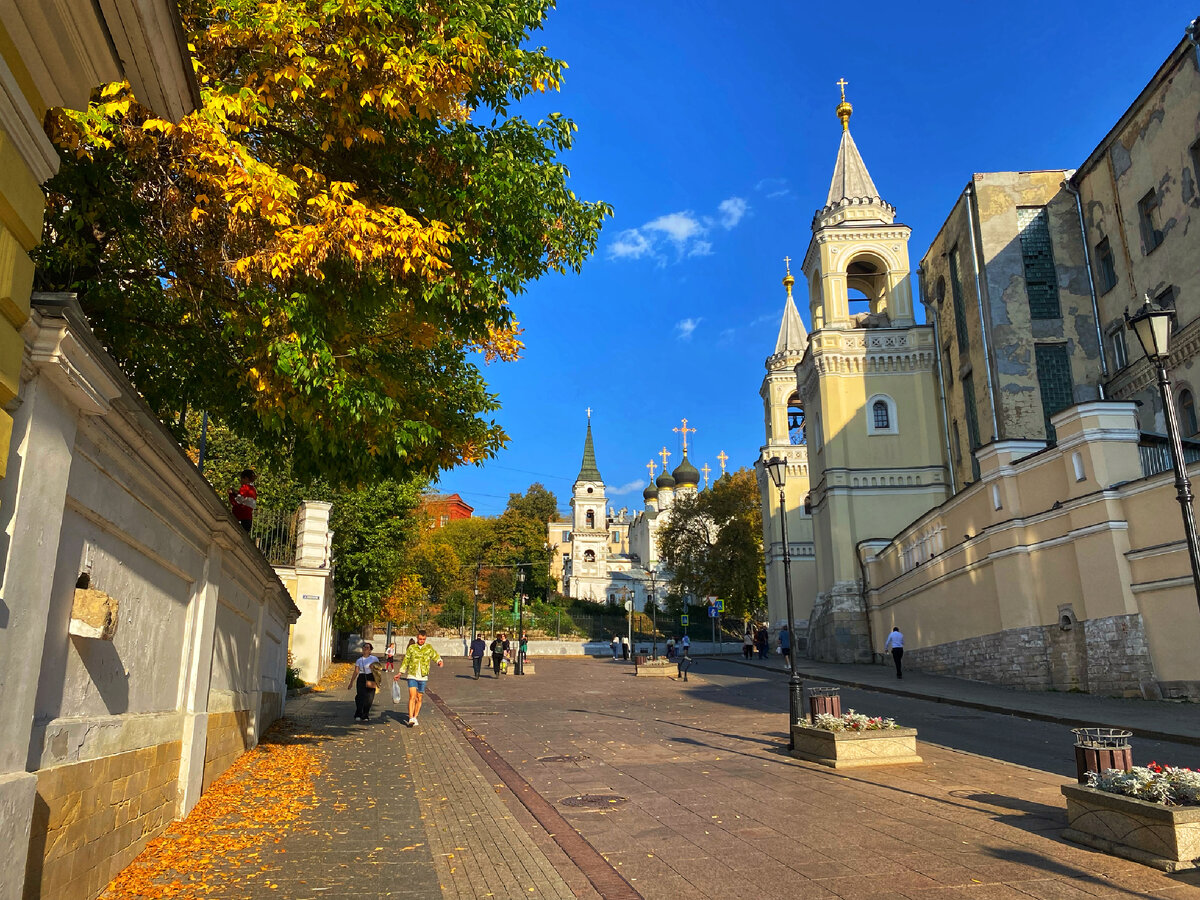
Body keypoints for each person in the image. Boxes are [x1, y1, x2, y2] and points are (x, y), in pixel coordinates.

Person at [395, 630, 443, 727]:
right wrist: (400, 672)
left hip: (423, 676)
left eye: (423, 639)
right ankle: (411, 717)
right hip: (412, 675)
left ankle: (415, 716)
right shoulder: (412, 648)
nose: (422, 641)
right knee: (412, 696)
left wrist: (439, 661)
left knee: (419, 698)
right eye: (420, 639)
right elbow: (406, 660)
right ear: (417, 638)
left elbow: (435, 655)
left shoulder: (428, 648)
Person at [346, 642, 379, 721]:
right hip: (361, 678)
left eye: (367, 648)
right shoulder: (359, 660)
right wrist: (351, 682)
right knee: (360, 696)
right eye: (364, 647)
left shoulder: (374, 659)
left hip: (371, 677)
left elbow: (379, 669)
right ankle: (358, 713)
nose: (365, 649)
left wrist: (373, 667)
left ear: (370, 650)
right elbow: (356, 671)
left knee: (369, 697)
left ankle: (365, 714)